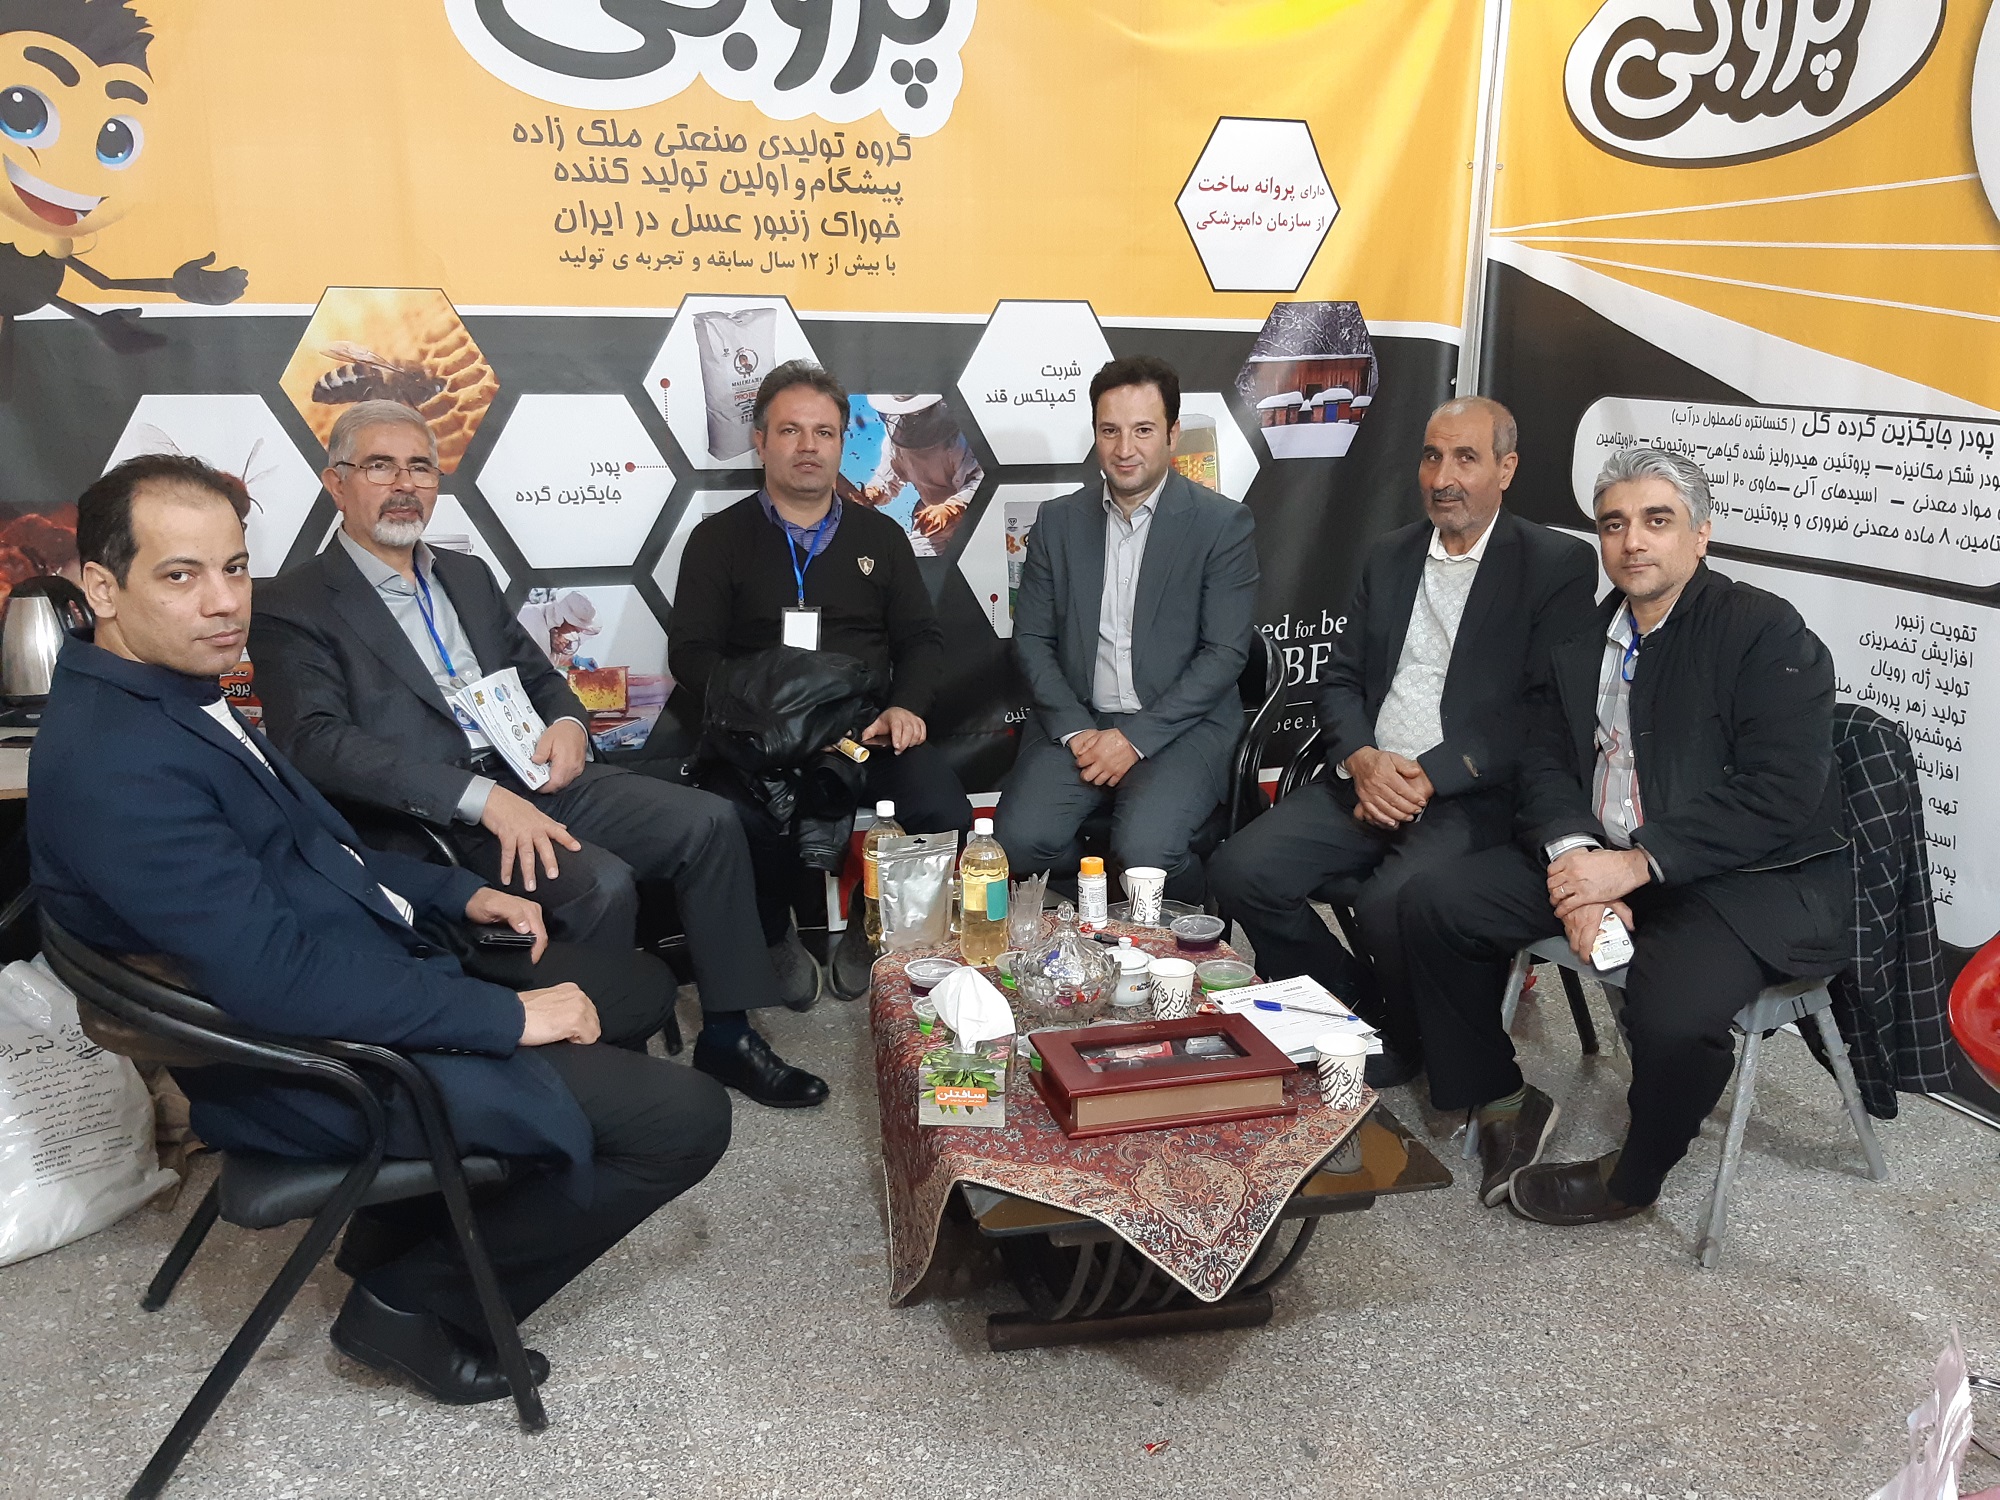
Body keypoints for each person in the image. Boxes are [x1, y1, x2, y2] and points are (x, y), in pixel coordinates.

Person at [29, 453, 732, 1404]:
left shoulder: (160, 696)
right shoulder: (120, 764)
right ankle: (409, 1302)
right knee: (686, 1120)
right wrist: (505, 1020)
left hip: (345, 974)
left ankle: (403, 1225)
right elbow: (276, 979)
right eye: (180, 575)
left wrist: (455, 895)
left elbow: (312, 853)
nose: (224, 602)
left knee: (638, 988)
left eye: (233, 568)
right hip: (310, 1062)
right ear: (103, 588)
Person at [249, 400, 825, 1109]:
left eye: (420, 467)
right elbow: (313, 743)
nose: (404, 484)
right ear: (336, 482)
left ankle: (729, 1036)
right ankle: (609, 1073)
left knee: (709, 822)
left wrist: (570, 723)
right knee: (600, 883)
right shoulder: (294, 602)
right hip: (436, 816)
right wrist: (480, 799)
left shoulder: (466, 575)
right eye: (379, 466)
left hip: (532, 773)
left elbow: (540, 676)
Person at [1398, 447, 1852, 1223]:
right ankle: (1502, 1094)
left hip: (1735, 877)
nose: (1632, 541)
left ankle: (1631, 1181)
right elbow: (1544, 760)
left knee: (1675, 1019)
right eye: (1614, 525)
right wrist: (1578, 865)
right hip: (1603, 855)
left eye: (1656, 521)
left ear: (1701, 535)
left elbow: (1780, 792)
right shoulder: (1582, 634)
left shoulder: (1764, 630)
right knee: (1432, 902)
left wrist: (1636, 865)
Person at [1209, 397, 1596, 1086]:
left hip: (1470, 794)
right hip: (1367, 775)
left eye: (1466, 459)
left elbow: (1542, 712)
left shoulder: (1555, 563)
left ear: (1506, 469)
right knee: (1242, 870)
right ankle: (1356, 1003)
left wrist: (1432, 774)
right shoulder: (1388, 554)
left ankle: (1412, 1036)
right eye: (1431, 457)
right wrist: (1362, 760)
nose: (1443, 478)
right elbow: (1340, 680)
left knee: (1391, 904)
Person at [670, 361, 973, 1000]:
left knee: (943, 810)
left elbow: (920, 639)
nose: (808, 446)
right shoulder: (717, 539)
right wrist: (758, 716)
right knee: (732, 818)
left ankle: (875, 924)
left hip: (864, 731)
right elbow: (691, 655)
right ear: (761, 441)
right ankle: (771, 934)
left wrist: (906, 707)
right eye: (790, 431)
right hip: (760, 735)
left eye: (824, 432)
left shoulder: (880, 537)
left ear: (840, 442)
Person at [995, 356, 1258, 905]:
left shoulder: (1222, 525)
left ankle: (1190, 931)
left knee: (1145, 854)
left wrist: (1134, 740)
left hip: (1182, 728)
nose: (1124, 448)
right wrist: (1076, 730)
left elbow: (1224, 654)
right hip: (1080, 724)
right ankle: (1085, 929)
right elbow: (1033, 640)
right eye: (1110, 430)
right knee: (1017, 844)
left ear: (1173, 435)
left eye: (1143, 430)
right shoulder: (1057, 522)